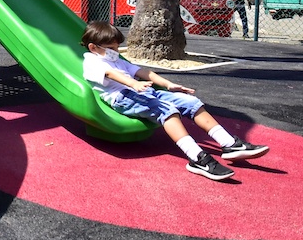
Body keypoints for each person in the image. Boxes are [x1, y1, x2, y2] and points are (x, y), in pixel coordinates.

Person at [80, 21, 269, 182]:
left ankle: (229, 144)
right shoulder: (91, 61)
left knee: (190, 102)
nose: (116, 51)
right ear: (93, 47)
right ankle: (198, 158)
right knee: (167, 110)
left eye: (117, 46)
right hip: (123, 98)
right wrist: (132, 84)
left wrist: (169, 85)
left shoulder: (117, 60)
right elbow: (109, 74)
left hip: (144, 92)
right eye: (111, 48)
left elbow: (143, 72)